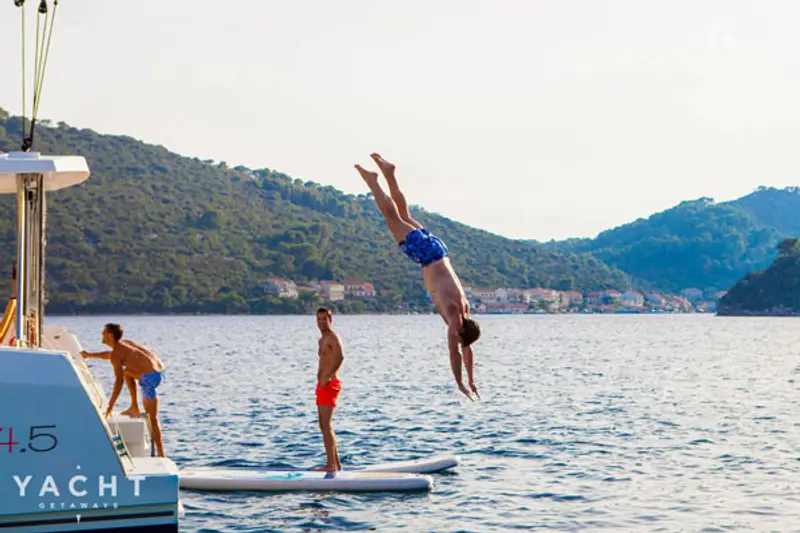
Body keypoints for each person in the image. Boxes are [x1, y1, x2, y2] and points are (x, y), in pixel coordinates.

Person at [355, 153, 481, 400]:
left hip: (439, 251)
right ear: (460, 333)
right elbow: (455, 353)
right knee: (392, 218)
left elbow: (466, 351)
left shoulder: (464, 310)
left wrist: (472, 379)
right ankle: (373, 181)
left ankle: (390, 173)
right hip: (427, 256)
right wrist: (459, 383)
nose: (456, 340)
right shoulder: (456, 317)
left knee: (402, 213)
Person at [81, 323, 166, 457]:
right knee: (127, 372)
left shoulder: (117, 353)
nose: (102, 335)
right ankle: (134, 406)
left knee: (152, 418)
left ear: (109, 334)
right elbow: (109, 355)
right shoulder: (124, 345)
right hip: (158, 371)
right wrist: (90, 355)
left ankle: (161, 454)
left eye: (103, 332)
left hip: (149, 378)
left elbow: (119, 381)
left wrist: (110, 406)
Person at [314, 307, 344, 472]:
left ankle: (330, 465)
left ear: (330, 320)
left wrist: (328, 375)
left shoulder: (333, 337)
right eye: (319, 319)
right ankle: (336, 464)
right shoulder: (321, 339)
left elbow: (340, 356)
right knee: (323, 425)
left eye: (324, 319)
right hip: (322, 385)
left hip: (330, 384)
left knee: (326, 424)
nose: (321, 322)